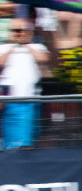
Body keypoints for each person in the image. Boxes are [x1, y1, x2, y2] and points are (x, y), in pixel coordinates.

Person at [0, 17, 51, 149]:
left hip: (30, 98)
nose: (19, 34)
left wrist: (26, 45)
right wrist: (12, 48)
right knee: (15, 140)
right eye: (15, 31)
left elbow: (43, 58)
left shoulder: (37, 46)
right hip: (11, 99)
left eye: (21, 30)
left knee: (30, 138)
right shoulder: (4, 47)